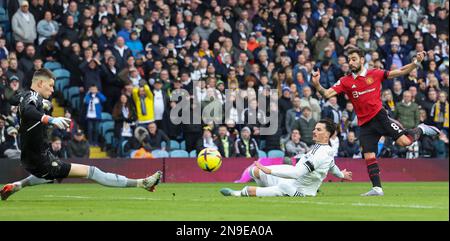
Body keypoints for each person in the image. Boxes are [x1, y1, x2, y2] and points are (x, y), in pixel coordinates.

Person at [0, 69, 161, 201]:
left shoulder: (25, 96)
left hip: (30, 158)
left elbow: (12, 98)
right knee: (92, 171)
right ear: (40, 83)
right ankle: (142, 183)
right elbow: (28, 110)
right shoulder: (33, 97)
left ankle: (16, 186)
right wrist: (50, 119)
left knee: (47, 175)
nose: (53, 90)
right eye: (50, 86)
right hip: (41, 160)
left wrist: (37, 101)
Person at [311, 47, 441, 196]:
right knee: (369, 155)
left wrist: (416, 62)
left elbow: (400, 71)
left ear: (361, 60)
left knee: (404, 142)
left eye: (354, 59)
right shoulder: (345, 81)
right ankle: (377, 188)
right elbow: (327, 93)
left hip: (380, 117)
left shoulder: (375, 73)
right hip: (364, 124)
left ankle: (422, 129)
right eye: (349, 60)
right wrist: (316, 84)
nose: (351, 62)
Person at [220, 120, 352, 197]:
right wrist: (341, 174)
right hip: (292, 180)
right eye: (314, 128)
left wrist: (269, 171)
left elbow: (296, 173)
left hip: (298, 191)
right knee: (254, 171)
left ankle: (237, 193)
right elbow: (332, 166)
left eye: (318, 129)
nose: (314, 131)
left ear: (327, 134)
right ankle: (261, 186)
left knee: (270, 183)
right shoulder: (326, 150)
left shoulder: (320, 153)